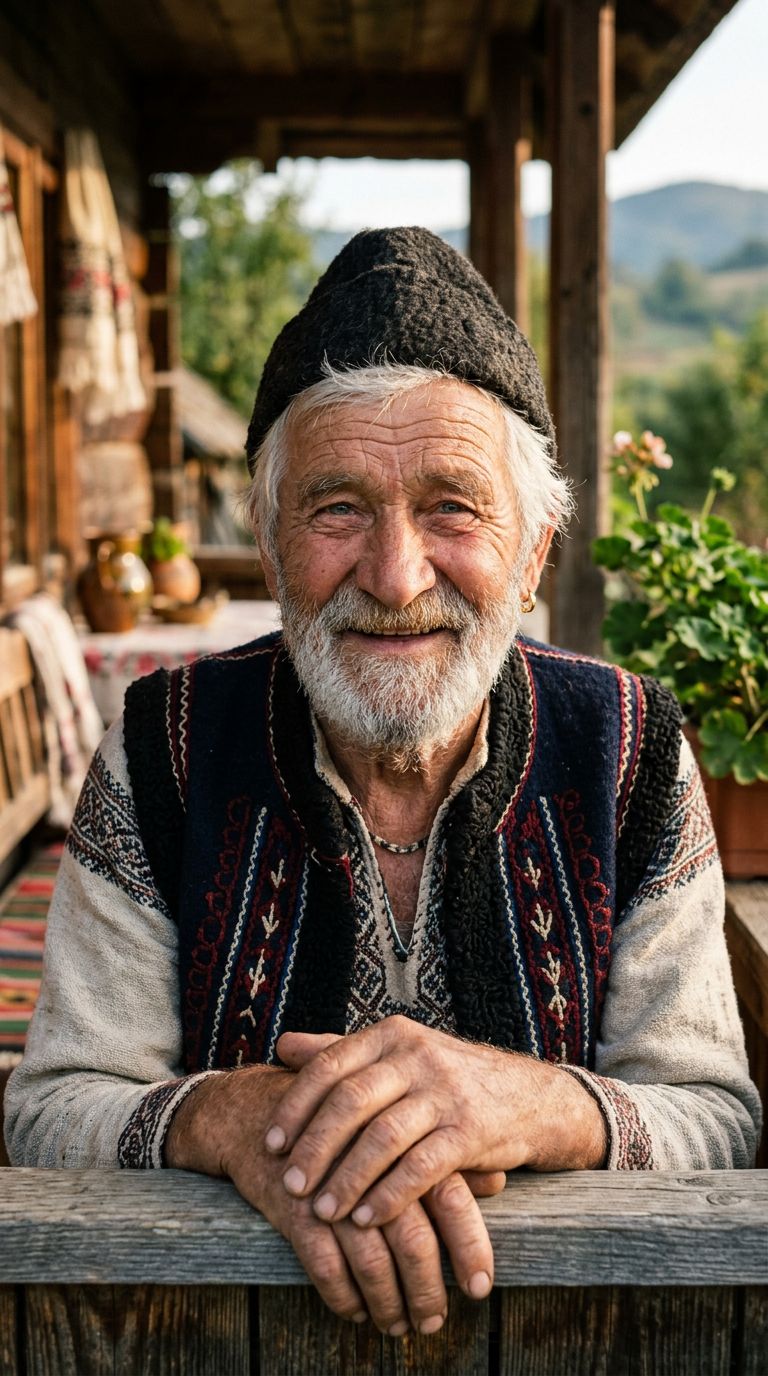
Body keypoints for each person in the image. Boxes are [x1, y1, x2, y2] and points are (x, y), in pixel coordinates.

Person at [6, 228, 760, 1339]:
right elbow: (51, 1109)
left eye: (453, 505)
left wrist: (531, 1102)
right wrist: (225, 1116)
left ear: (536, 547)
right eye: (337, 507)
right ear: (267, 541)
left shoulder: (629, 751)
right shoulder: (165, 745)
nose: (397, 576)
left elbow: (713, 1114)